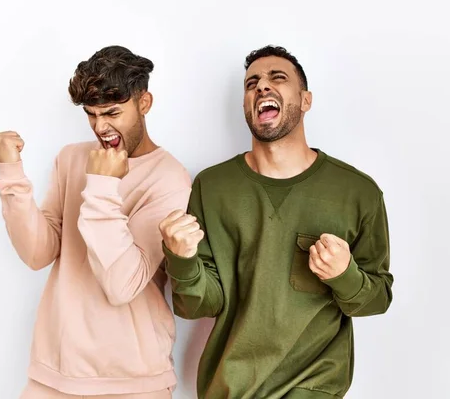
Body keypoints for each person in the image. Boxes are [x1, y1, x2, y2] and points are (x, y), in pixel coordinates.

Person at [159, 45, 394, 399]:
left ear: (305, 99)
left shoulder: (358, 192)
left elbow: (377, 299)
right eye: (251, 83)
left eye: (277, 78)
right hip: (230, 389)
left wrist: (344, 275)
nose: (261, 87)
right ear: (245, 107)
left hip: (314, 388)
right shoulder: (212, 186)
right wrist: (181, 258)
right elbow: (199, 305)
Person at [0, 45, 191, 398]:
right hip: (54, 374)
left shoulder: (170, 177)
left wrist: (102, 184)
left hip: (134, 382)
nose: (102, 126)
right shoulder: (71, 158)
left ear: (144, 103)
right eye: (92, 114)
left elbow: (122, 285)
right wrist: (11, 175)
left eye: (112, 112)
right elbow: (38, 253)